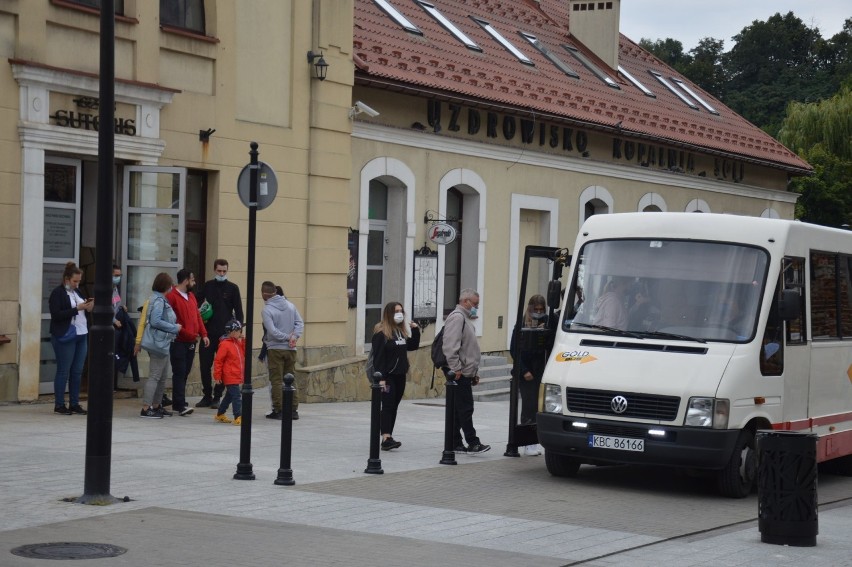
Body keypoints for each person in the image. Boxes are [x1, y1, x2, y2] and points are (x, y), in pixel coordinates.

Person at [443, 288, 490, 454]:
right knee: (465, 408)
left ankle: (455, 442)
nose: (476, 307)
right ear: (465, 302)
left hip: (465, 372)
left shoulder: (465, 318)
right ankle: (472, 442)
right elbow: (450, 346)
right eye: (475, 304)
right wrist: (455, 368)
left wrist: (473, 372)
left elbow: (468, 349)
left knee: (458, 409)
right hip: (458, 372)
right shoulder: (457, 318)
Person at [370, 302, 420, 450]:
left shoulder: (400, 331)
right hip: (387, 376)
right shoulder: (381, 333)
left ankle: (388, 435)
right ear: (389, 314)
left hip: (400, 375)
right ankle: (386, 437)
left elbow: (412, 346)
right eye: (396, 311)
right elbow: (378, 358)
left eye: (401, 311)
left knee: (394, 407)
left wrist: (415, 330)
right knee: (387, 406)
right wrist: (381, 378)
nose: (400, 314)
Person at [195, 259, 244, 409]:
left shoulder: (233, 288)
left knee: (222, 366)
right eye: (219, 271)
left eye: (224, 271)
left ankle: (217, 396)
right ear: (214, 270)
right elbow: (196, 303)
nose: (221, 273)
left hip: (225, 335)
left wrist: (238, 331)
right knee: (204, 365)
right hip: (208, 333)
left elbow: (239, 312)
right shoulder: (208, 286)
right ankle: (206, 395)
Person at [48, 262, 93, 415]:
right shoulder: (58, 293)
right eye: (75, 281)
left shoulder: (78, 292)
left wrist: (88, 307)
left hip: (81, 333)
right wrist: (76, 309)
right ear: (67, 279)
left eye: (79, 281)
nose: (77, 284)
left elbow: (82, 312)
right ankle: (59, 405)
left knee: (77, 371)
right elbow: (56, 315)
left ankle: (75, 403)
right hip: (65, 335)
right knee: (63, 370)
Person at [166, 269, 209, 416]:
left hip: (191, 341)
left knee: (185, 372)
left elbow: (197, 316)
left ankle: (180, 401)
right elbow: (172, 321)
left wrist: (203, 334)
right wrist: (189, 333)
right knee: (179, 372)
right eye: (192, 279)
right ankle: (179, 405)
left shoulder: (191, 296)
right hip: (178, 341)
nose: (194, 282)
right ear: (185, 280)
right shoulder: (172, 297)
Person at [139, 273, 181, 419]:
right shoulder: (158, 301)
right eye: (171, 284)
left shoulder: (160, 299)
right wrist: (174, 327)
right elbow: (155, 321)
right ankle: (146, 408)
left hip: (163, 343)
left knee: (162, 377)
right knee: (155, 376)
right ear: (166, 286)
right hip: (158, 343)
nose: (172, 287)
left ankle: (157, 406)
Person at [261, 281, 304, 420]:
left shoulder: (267, 310)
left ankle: (278, 410)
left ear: (264, 294)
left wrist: (287, 337)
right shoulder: (290, 306)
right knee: (291, 378)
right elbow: (300, 323)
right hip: (291, 349)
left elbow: (272, 332)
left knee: (277, 380)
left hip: (275, 349)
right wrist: (294, 337)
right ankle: (293, 410)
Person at [513, 294, 548, 456]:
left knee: (537, 407)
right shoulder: (521, 324)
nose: (539, 312)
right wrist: (524, 370)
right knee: (528, 406)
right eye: (536, 309)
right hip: (526, 372)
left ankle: (534, 440)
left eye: (541, 309)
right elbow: (515, 349)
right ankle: (527, 443)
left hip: (540, 370)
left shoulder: (546, 322)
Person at [213, 319, 245, 426]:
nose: (241, 332)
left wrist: (244, 341)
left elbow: (244, 353)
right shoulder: (225, 344)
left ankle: (220, 414)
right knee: (236, 396)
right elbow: (218, 361)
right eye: (239, 330)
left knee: (229, 396)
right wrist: (217, 376)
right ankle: (238, 416)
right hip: (230, 375)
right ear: (233, 332)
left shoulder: (237, 343)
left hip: (236, 375)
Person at [111, 264, 139, 387]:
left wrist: (122, 307)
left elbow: (115, 305)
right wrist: (114, 321)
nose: (118, 278)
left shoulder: (115, 288)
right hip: (113, 327)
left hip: (119, 326)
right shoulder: (105, 289)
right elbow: (104, 308)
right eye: (116, 275)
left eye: (119, 275)